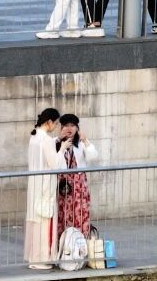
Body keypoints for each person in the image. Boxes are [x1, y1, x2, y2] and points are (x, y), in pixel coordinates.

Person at [24, 108, 64, 269]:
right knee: (45, 221)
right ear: (49, 122)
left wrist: (57, 140)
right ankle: (43, 258)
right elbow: (55, 164)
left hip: (34, 184)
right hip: (45, 185)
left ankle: (34, 257)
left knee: (36, 221)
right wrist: (62, 148)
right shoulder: (46, 139)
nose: (56, 126)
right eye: (56, 123)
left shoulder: (34, 137)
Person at [57, 114, 100, 236]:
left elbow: (93, 156)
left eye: (72, 125)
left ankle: (81, 240)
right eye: (66, 126)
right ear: (61, 128)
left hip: (79, 186)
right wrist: (60, 144)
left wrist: (85, 141)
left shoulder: (80, 143)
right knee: (63, 212)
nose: (69, 129)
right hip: (63, 185)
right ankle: (64, 242)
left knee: (80, 212)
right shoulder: (56, 142)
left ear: (77, 128)